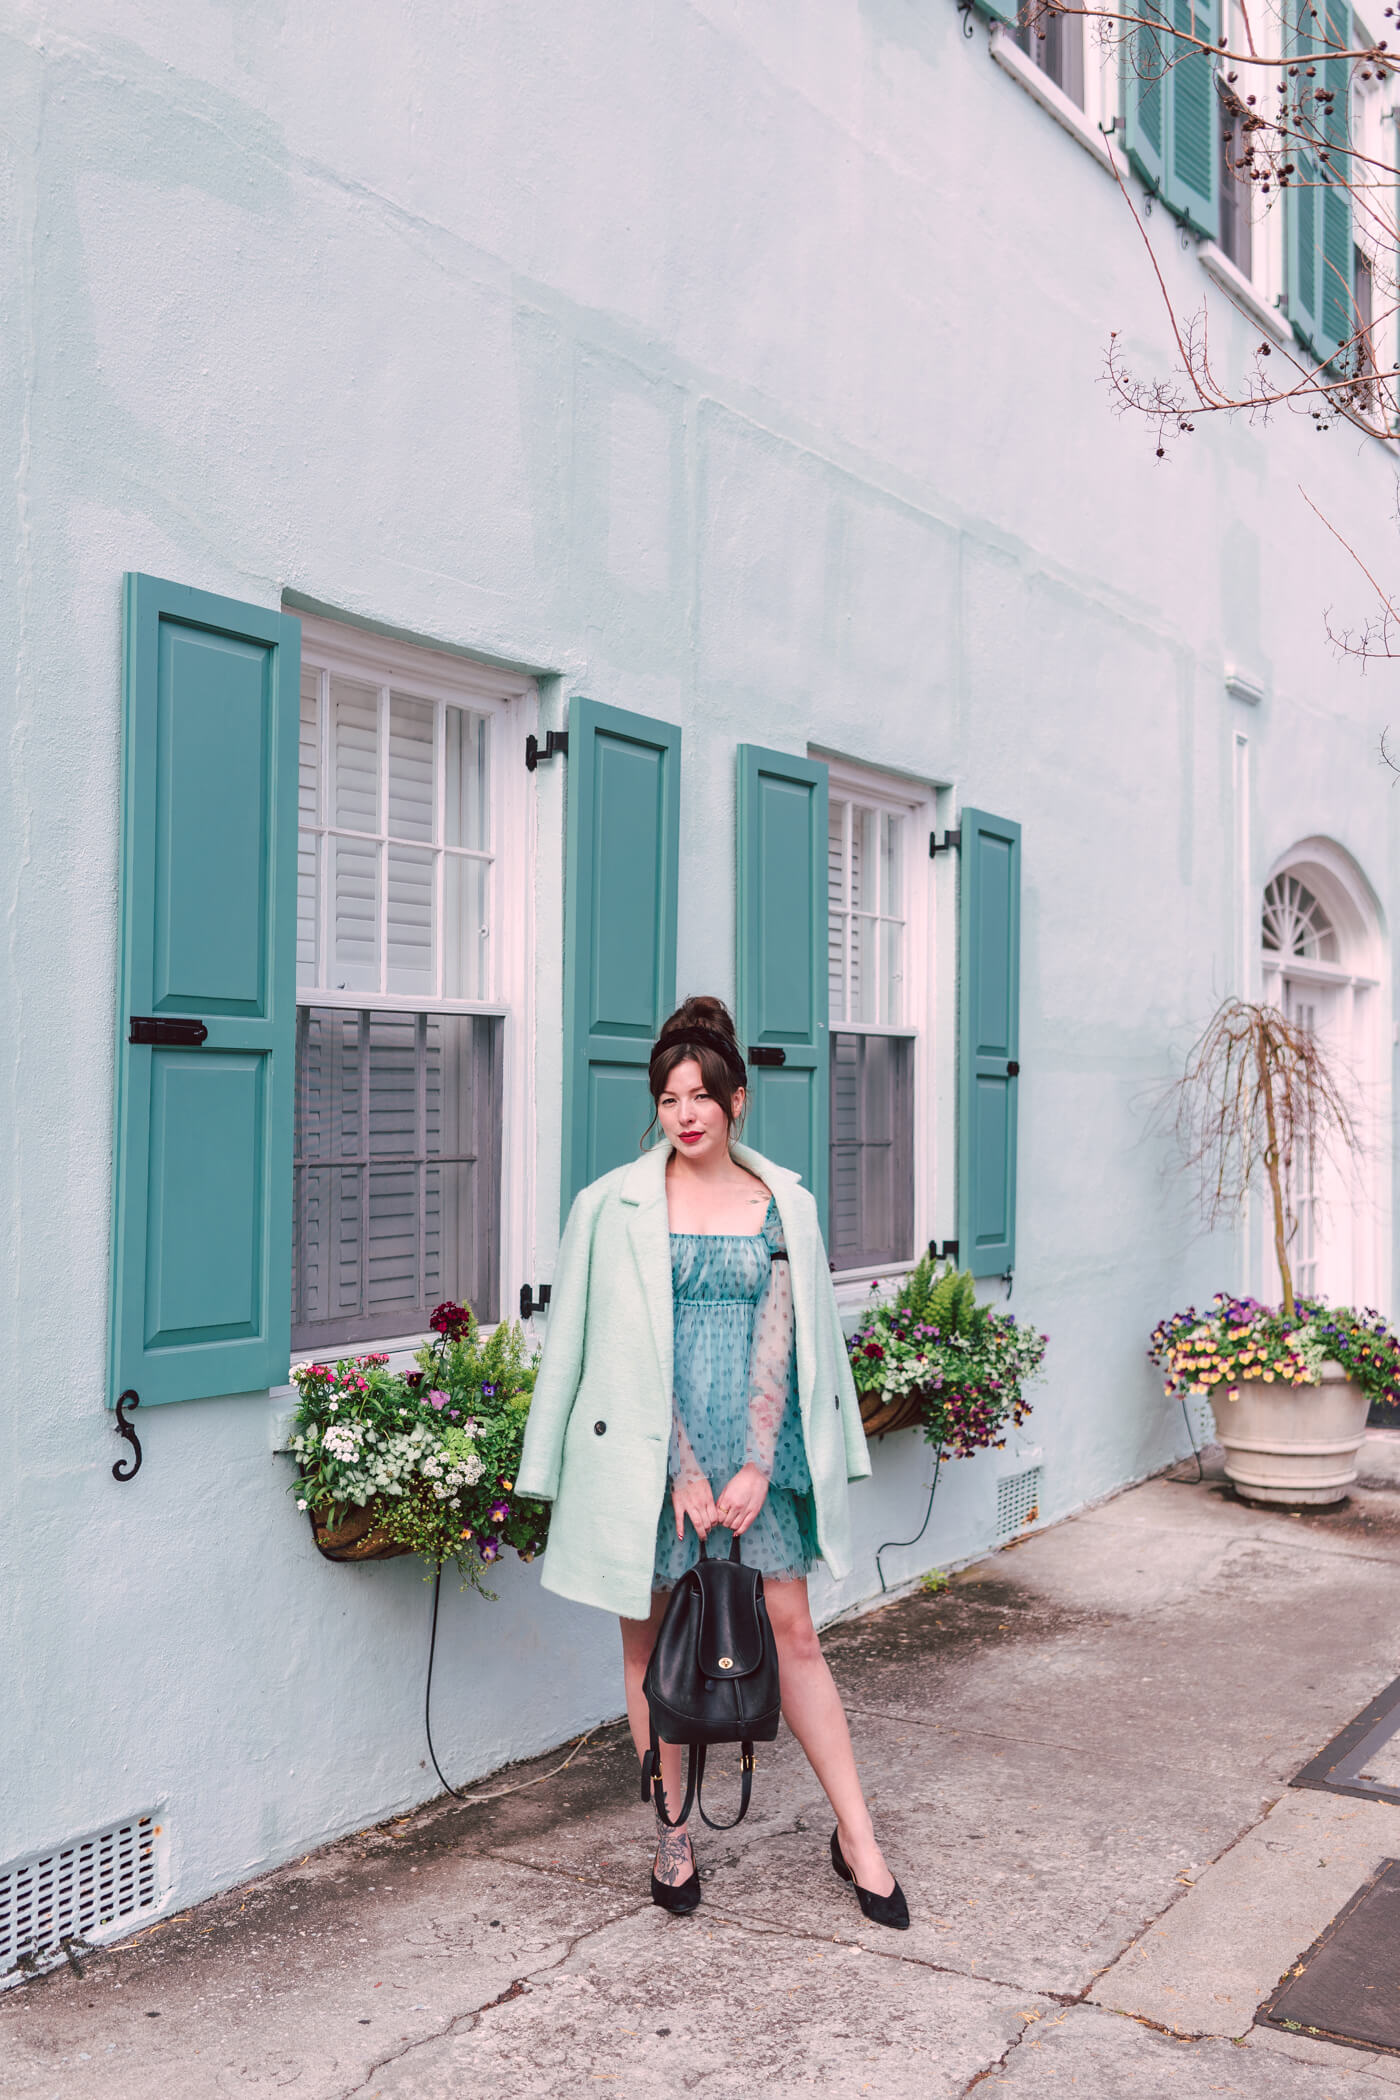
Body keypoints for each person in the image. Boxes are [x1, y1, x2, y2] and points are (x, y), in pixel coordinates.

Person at [516, 995, 909, 1928]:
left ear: (739, 1100)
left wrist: (758, 1462)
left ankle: (857, 1835)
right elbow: (607, 1348)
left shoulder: (784, 1206)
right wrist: (682, 1472)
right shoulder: (610, 1208)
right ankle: (671, 1832)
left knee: (795, 1634)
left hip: (751, 1459)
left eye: (701, 1095)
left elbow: (784, 1333)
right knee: (650, 1646)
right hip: (650, 1460)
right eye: (667, 1098)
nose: (685, 1113)